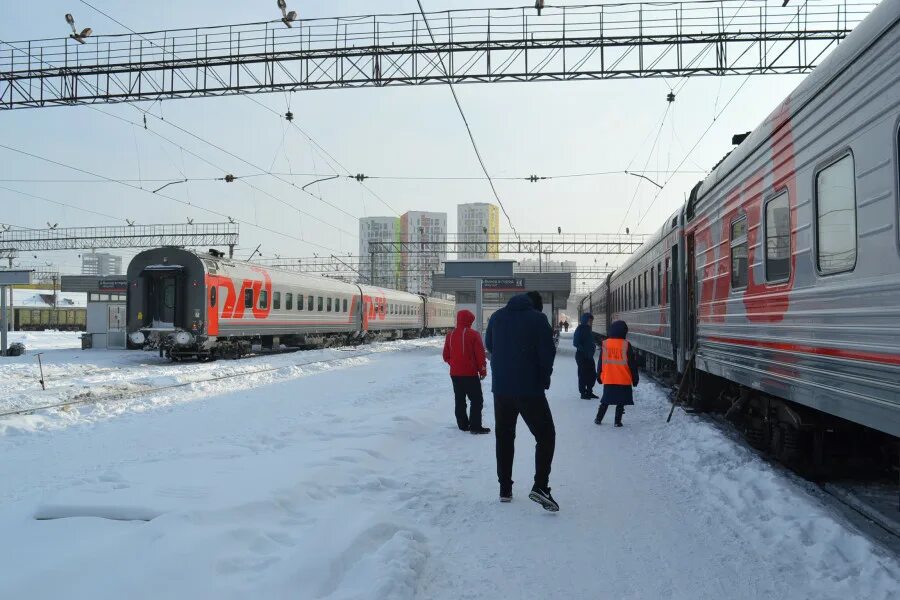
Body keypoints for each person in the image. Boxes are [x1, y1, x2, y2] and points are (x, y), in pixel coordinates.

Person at [485, 291, 559, 511]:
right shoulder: (538, 319)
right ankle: (540, 486)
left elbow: (490, 345)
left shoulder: (497, 317)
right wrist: (544, 379)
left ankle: (504, 489)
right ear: (536, 306)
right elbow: (548, 353)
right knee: (546, 436)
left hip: (502, 390)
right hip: (530, 390)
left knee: (505, 437)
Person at [442, 309, 490, 435]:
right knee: (476, 399)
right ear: (469, 320)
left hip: (455, 374)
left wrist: (454, 363)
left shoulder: (450, 335)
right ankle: (475, 426)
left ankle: (463, 425)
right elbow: (480, 355)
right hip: (470, 373)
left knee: (459, 399)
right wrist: (482, 370)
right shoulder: (474, 335)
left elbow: (446, 355)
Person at [595, 320, 639, 427]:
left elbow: (601, 362)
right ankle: (617, 422)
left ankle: (598, 418)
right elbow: (632, 364)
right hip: (623, 379)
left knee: (605, 400)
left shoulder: (605, 344)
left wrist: (599, 375)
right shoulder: (626, 345)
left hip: (609, 378)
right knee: (621, 402)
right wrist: (635, 378)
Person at [573, 313, 598, 399]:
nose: (591, 322)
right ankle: (583, 393)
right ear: (585, 320)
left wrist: (593, 347)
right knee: (583, 374)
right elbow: (575, 343)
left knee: (592, 374)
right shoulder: (580, 329)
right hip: (582, 356)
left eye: (591, 321)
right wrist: (584, 350)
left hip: (589, 356)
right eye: (590, 321)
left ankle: (590, 391)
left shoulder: (588, 329)